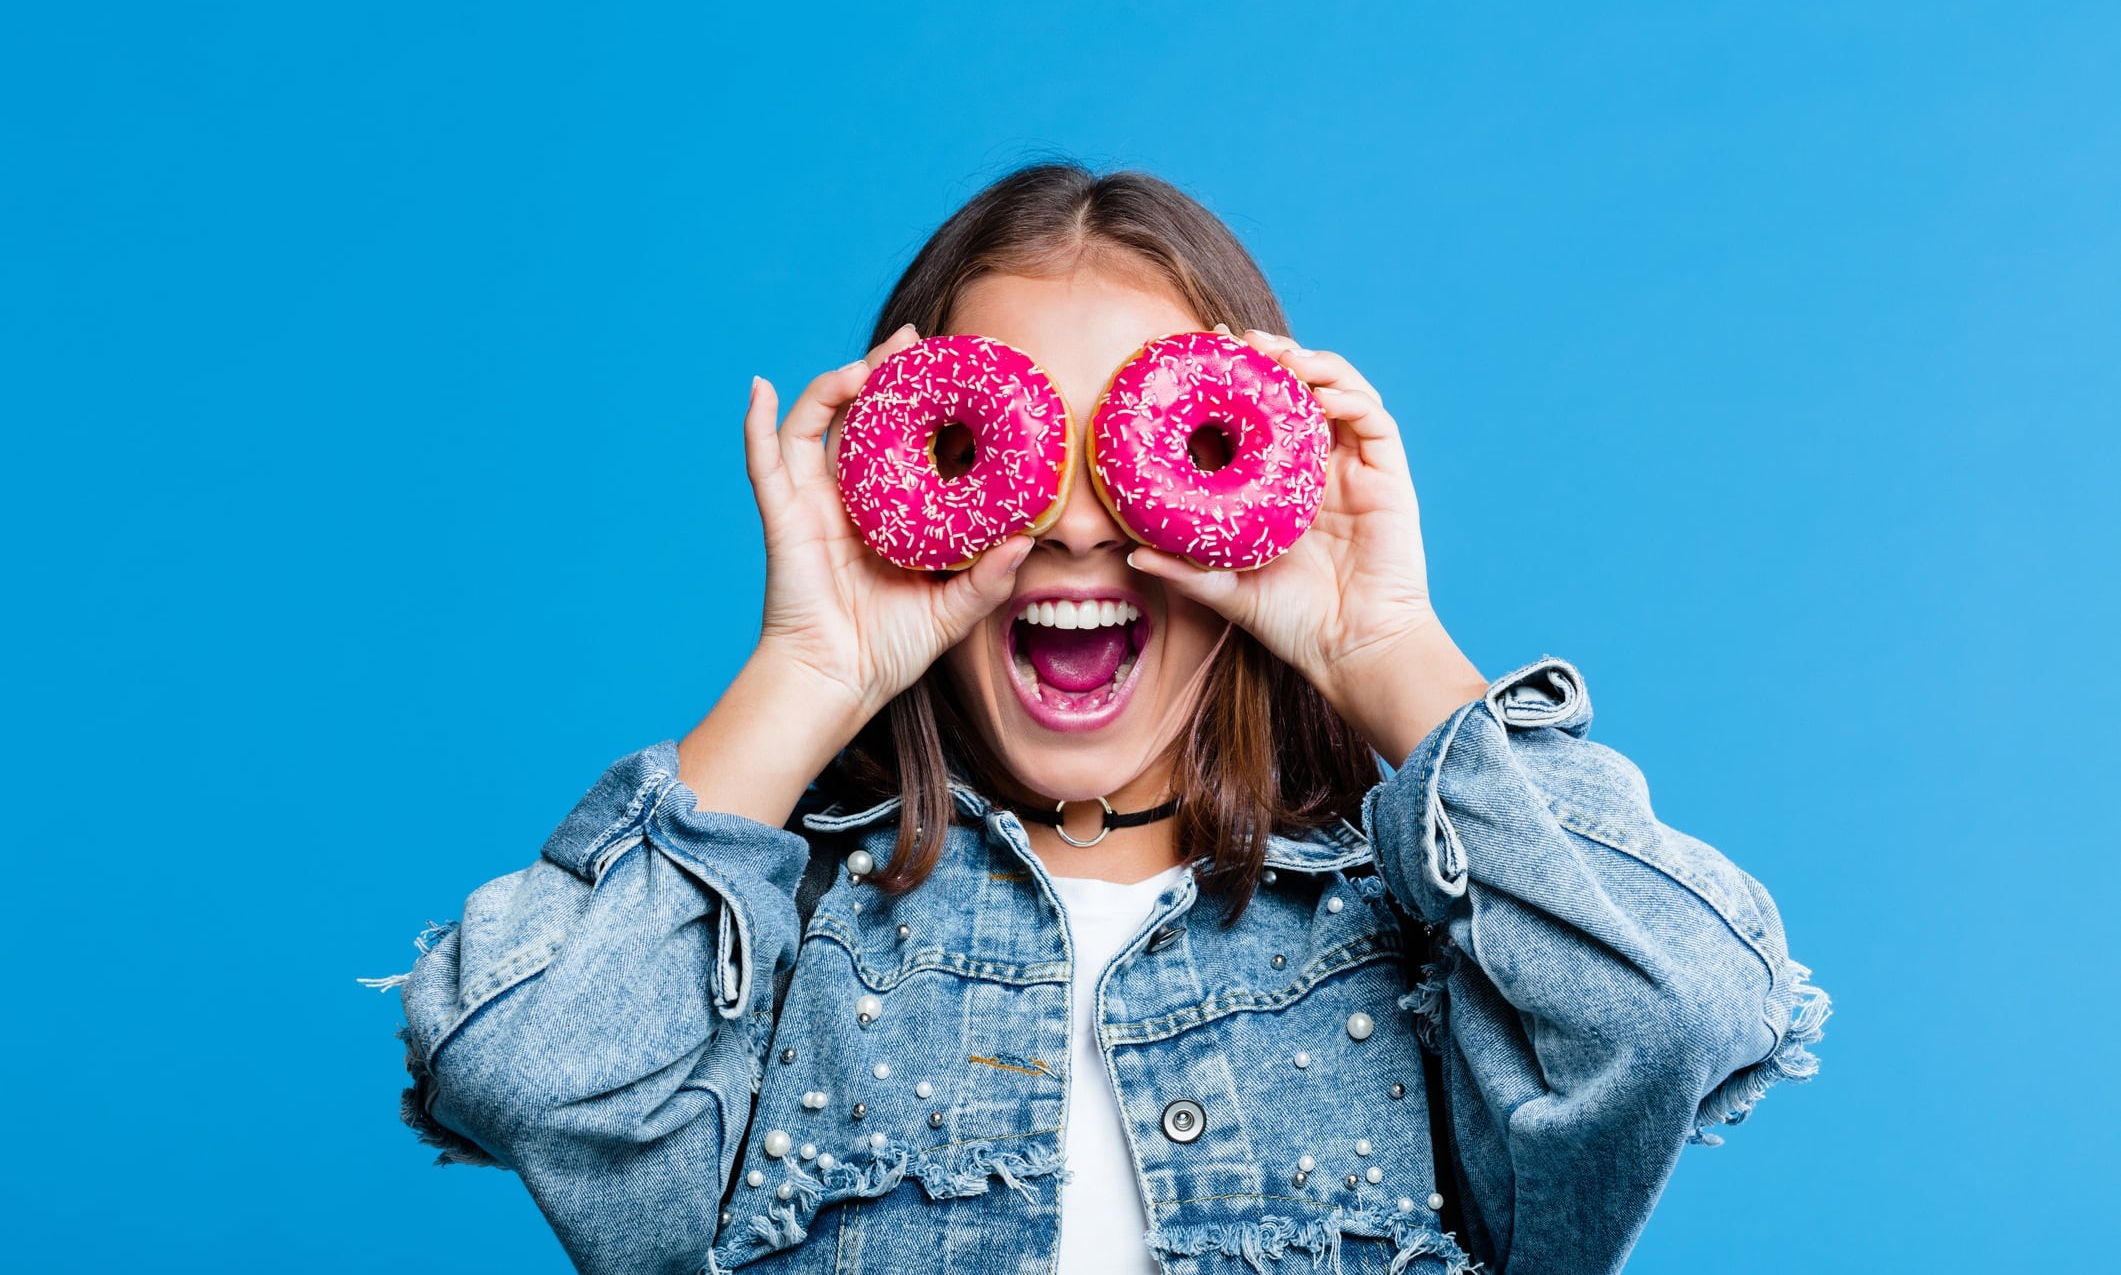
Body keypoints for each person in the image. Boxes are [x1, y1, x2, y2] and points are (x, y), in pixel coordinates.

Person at [379, 164, 1828, 1275]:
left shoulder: (1418, 954)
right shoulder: (794, 941)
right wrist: (811, 667)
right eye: (1003, 452)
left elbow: (1670, 1010)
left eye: (1138, 458)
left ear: (1263, 482)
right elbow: (525, 1069)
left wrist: (1388, 649)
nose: (1074, 522)